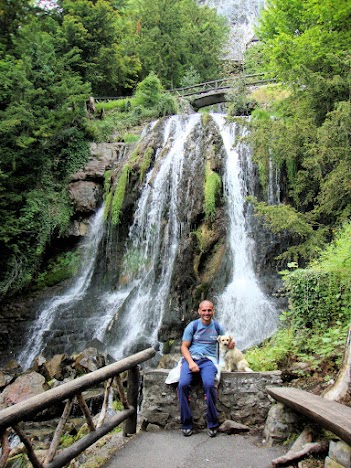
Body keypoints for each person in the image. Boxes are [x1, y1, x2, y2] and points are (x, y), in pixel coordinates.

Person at [177, 299, 234, 437]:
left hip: (209, 361)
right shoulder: (193, 326)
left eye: (209, 310)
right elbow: (184, 347)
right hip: (191, 359)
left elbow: (227, 343)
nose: (206, 313)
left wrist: (231, 345)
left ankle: (212, 423)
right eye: (204, 310)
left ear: (213, 311)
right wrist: (190, 362)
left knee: (209, 385)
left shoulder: (218, 328)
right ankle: (186, 423)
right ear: (199, 311)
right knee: (182, 385)